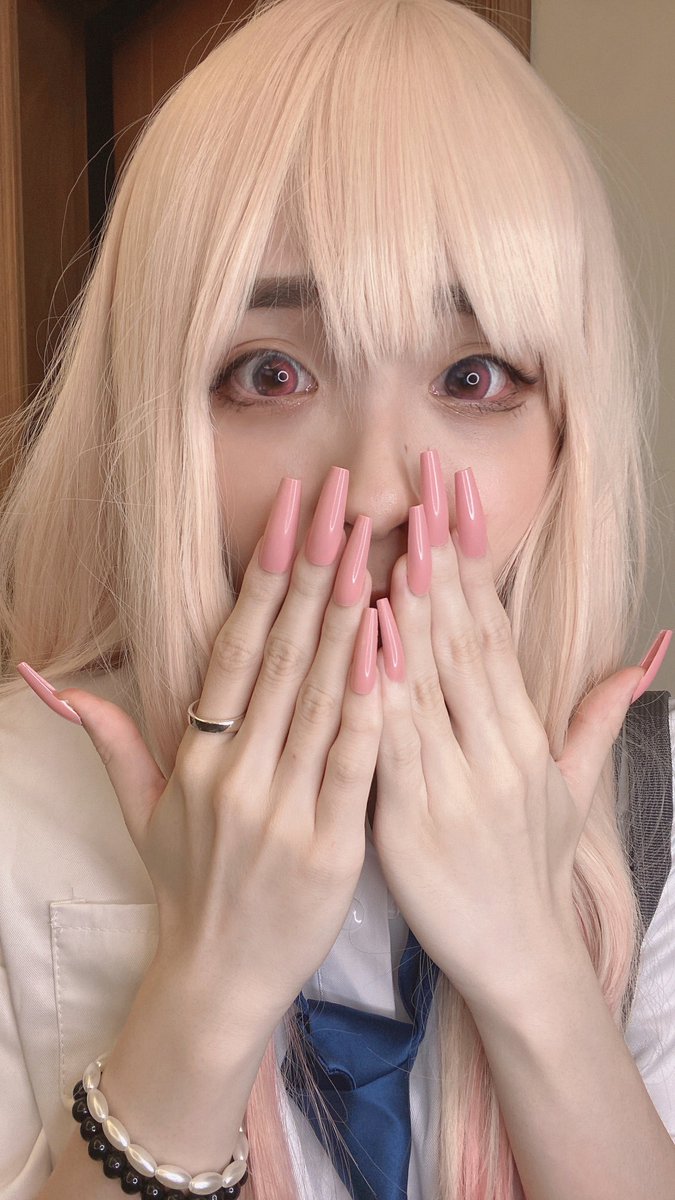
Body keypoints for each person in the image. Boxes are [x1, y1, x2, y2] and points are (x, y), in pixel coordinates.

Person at [0, 0, 673, 1197]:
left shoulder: (652, 808)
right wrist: (208, 988)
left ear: (569, 437)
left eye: (474, 375)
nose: (373, 491)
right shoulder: (20, 798)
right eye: (272, 373)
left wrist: (531, 959)